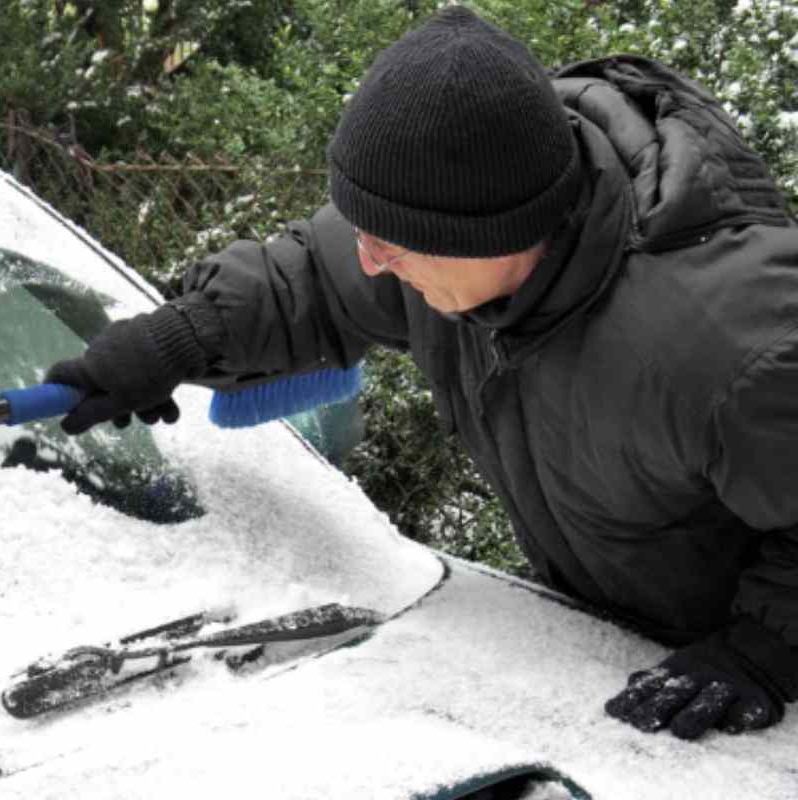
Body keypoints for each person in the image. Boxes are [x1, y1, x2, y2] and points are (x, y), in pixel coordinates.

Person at [44, 5, 798, 740]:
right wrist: (178, 339)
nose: (372, 259)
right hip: (611, 643)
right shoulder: (448, 228)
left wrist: (769, 648)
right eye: (370, 232)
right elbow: (313, 275)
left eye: (392, 244)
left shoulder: (726, 343)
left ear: (493, 235)